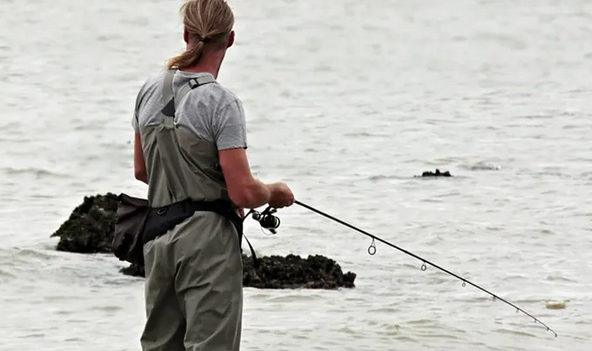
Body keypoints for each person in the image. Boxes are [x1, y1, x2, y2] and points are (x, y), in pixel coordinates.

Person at [130, 0, 295, 350]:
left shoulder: (149, 90)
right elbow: (243, 193)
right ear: (230, 39)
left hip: (157, 236)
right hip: (207, 243)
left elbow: (142, 171)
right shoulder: (221, 102)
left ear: (186, 34)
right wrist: (275, 193)